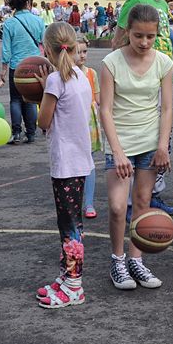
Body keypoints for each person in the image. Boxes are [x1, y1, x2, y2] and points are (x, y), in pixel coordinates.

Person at [100, 4, 173, 290]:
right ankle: (117, 260)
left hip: (150, 144)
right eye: (138, 36)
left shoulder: (163, 63)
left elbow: (167, 108)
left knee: (143, 204)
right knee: (118, 207)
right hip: (120, 142)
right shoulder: (111, 62)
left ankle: (136, 260)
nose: (144, 42)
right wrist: (116, 151)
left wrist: (162, 145)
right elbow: (104, 109)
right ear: (127, 32)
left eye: (150, 36)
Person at [113, 0, 173, 216]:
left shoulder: (163, 3)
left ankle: (153, 194)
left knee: (162, 140)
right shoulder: (136, 1)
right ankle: (132, 201)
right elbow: (118, 42)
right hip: (141, 81)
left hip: (163, 77)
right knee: (137, 140)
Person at [32, 22, 94, 308]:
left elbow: (43, 121)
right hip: (79, 161)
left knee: (70, 227)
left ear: (46, 50)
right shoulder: (81, 75)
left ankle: (74, 287)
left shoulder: (56, 81)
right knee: (71, 223)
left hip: (66, 163)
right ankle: (66, 277)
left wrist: (43, 91)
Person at [0, 0, 46, 144]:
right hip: (36, 65)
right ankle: (31, 133)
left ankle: (16, 133)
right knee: (31, 99)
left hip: (16, 66)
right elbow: (44, 43)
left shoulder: (9, 23)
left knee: (15, 100)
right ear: (28, 3)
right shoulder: (38, 21)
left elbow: (6, 48)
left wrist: (4, 68)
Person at [75, 35, 101, 219]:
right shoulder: (66, 74)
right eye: (78, 52)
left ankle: (89, 203)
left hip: (89, 121)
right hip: (74, 120)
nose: (82, 55)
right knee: (75, 163)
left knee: (89, 161)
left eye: (85, 51)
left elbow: (98, 100)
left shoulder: (91, 73)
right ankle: (75, 201)